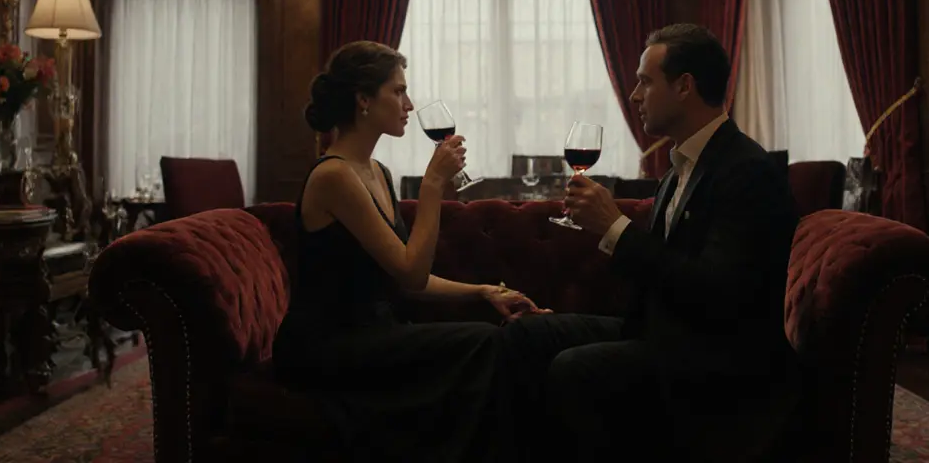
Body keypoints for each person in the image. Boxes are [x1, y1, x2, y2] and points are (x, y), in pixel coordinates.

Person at [499, 24, 801, 462]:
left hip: (717, 357)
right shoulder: (682, 163)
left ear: (684, 87)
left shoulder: (744, 169)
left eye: (644, 81)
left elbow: (719, 292)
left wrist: (615, 228)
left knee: (574, 369)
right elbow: (661, 273)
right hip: (663, 330)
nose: (634, 95)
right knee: (525, 335)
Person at [272, 40, 548, 462]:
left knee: (491, 340)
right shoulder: (334, 176)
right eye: (398, 91)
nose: (409, 103)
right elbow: (410, 274)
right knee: (483, 344)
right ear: (364, 99)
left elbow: (403, 276)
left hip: (375, 331)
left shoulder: (376, 172)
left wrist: (483, 291)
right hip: (328, 345)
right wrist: (434, 185)